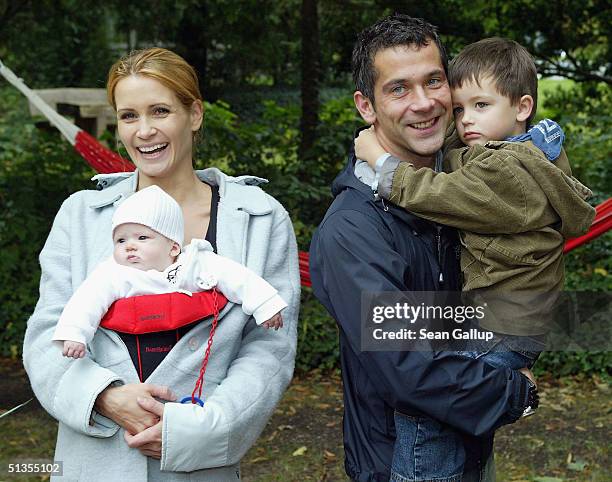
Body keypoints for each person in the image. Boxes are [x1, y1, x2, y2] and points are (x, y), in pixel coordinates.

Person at [23, 47, 299, 481]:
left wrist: (206, 427)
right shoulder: (81, 215)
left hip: (201, 465)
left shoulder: (260, 219)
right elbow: (45, 336)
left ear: (195, 114)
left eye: (160, 110)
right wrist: (103, 397)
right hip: (95, 462)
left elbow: (269, 349)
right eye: (129, 115)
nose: (144, 130)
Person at [354, 36, 596, 479]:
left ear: (522, 107)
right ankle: (509, 391)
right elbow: (450, 148)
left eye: (480, 106)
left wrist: (380, 160)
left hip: (497, 321)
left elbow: (436, 192)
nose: (465, 121)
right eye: (460, 109)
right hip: (512, 320)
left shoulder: (502, 169)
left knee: (430, 409)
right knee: (451, 404)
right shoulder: (526, 157)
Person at [309, 15, 538, 482]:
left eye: (434, 81)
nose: (424, 103)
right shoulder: (351, 231)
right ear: (366, 107)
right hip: (399, 465)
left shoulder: (466, 189)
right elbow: (411, 369)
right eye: (398, 89)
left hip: (472, 451)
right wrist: (515, 392)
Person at [54, 185, 287, 359]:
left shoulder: (194, 262)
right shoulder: (113, 273)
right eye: (120, 240)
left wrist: (265, 305)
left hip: (191, 354)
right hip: (133, 354)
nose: (129, 246)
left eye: (142, 237)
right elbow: (86, 301)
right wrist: (75, 334)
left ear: (174, 247)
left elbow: (236, 277)